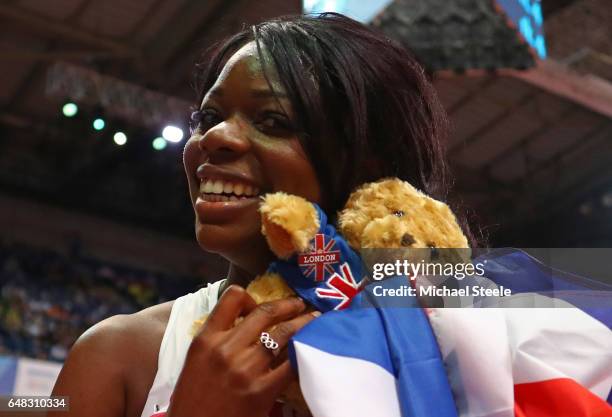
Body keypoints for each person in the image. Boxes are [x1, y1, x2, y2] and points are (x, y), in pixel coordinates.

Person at [50, 12, 463, 417]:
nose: (214, 137)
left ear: (369, 164)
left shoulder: (454, 346)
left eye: (273, 120)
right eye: (208, 118)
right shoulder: (118, 354)